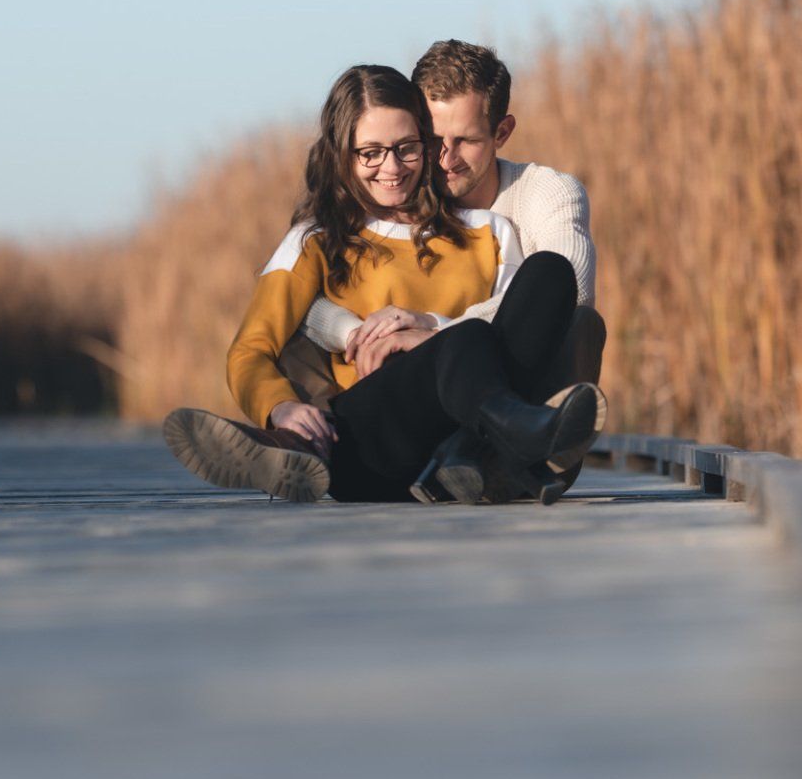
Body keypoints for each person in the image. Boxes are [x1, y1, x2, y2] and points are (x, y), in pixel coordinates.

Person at [162, 64, 601, 505]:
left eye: (406, 148)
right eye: (369, 152)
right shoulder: (315, 240)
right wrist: (282, 408)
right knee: (466, 338)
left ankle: (486, 449)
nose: (391, 168)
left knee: (550, 273)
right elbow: (250, 349)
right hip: (370, 447)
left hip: (458, 463)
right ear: (342, 154)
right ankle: (521, 434)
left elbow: (515, 334)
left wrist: (427, 332)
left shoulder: (488, 231)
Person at [279, 39, 606, 498]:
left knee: (553, 276)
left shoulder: (544, 194)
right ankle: (488, 454)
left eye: (467, 140)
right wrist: (353, 332)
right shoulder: (388, 188)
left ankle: (473, 453)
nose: (446, 160)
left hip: (477, 388)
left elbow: (574, 293)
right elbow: (294, 295)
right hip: (388, 424)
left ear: (502, 132)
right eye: (432, 141)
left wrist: (437, 332)